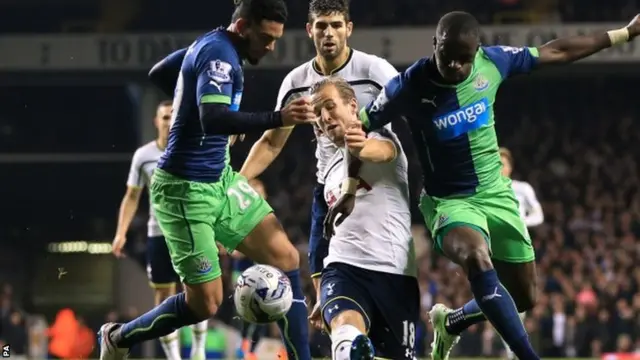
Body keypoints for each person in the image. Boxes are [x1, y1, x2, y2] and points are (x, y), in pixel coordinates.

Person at [339, 10, 640, 360]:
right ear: (434, 44)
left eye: (463, 60)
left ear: (477, 51)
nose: (454, 67)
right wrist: (348, 188)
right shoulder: (409, 86)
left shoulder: (493, 63)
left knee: (524, 296)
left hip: (496, 194)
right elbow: (357, 132)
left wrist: (626, 32)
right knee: (478, 258)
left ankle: (452, 322)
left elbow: (556, 51)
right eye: (446, 57)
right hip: (449, 202)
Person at [97, 1, 316, 359]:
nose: (271, 46)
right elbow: (214, 119)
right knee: (206, 304)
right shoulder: (220, 55)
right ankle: (118, 337)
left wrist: (196, 106)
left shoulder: (211, 43)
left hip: (220, 178)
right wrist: (278, 117)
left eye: (276, 39)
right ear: (243, 26)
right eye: (265, 37)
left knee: (286, 256)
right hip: (185, 192)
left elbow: (161, 73)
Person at [239, 0, 398, 313]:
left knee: (379, 293)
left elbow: (410, 114)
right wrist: (235, 183)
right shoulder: (297, 83)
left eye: (337, 25)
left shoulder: (374, 71)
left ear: (348, 29)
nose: (329, 33)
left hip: (379, 189)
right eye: (322, 26)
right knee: (324, 295)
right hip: (328, 189)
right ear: (309, 30)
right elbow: (272, 142)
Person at [306, 77, 418, 360]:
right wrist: (322, 293)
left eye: (330, 107)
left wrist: (360, 146)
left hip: (395, 275)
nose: (325, 117)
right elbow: (321, 238)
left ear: (352, 105)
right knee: (347, 340)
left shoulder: (382, 138)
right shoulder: (328, 171)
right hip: (343, 270)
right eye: (318, 114)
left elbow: (380, 152)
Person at [111, 100, 209, 360]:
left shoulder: (192, 148)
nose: (169, 122)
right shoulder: (143, 156)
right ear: (156, 121)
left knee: (198, 290)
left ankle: (198, 351)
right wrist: (121, 232)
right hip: (159, 234)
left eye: (173, 117)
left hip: (192, 231)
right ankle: (173, 357)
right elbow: (132, 197)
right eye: (164, 117)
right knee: (163, 295)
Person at [499, 147, 542, 359]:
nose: (500, 168)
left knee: (519, 301)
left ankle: (514, 349)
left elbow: (538, 214)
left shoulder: (522, 189)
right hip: (495, 249)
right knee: (498, 298)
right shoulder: (487, 191)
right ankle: (511, 352)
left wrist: (521, 222)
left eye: (503, 164)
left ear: (510, 167)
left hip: (520, 248)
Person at [230, 179, 268, 360]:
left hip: (263, 269)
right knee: (245, 309)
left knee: (264, 310)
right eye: (255, 192)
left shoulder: (268, 217)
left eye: (260, 193)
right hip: (243, 270)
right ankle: (244, 341)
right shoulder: (239, 216)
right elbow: (234, 251)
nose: (258, 196)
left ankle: (252, 351)